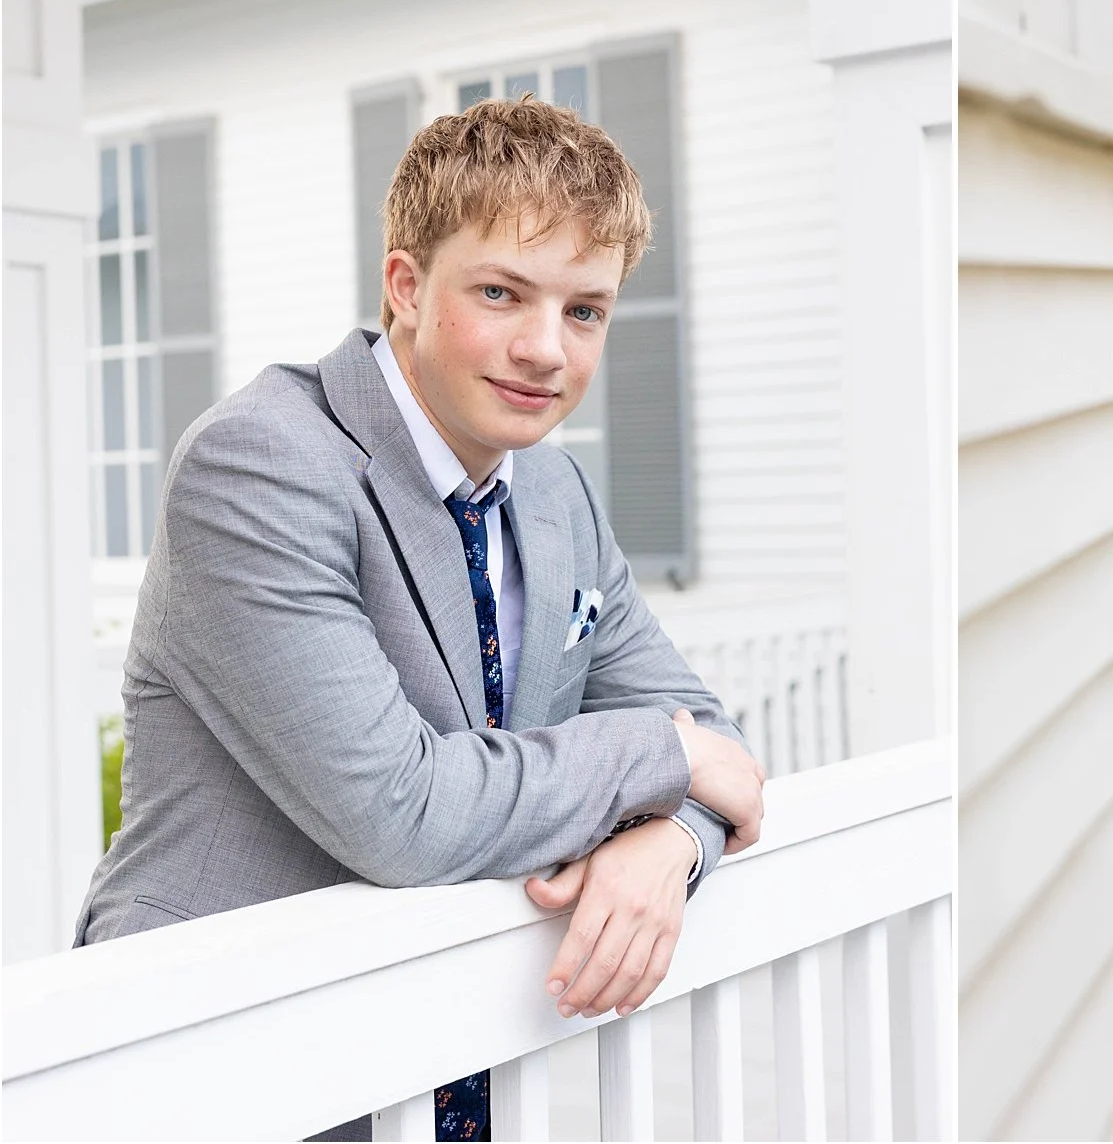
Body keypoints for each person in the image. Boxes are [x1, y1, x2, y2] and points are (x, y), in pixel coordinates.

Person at [75, 96, 765, 1144]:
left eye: (585, 310)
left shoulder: (556, 493)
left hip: (441, 1050)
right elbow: (401, 810)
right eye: (501, 292)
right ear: (404, 285)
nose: (545, 348)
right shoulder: (258, 463)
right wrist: (659, 756)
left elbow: (717, 747)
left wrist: (669, 837)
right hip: (222, 1059)